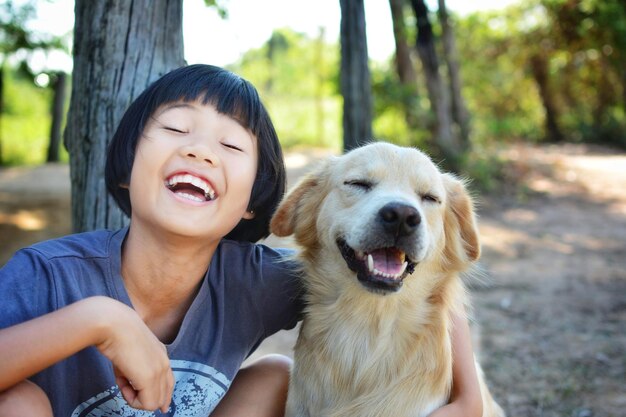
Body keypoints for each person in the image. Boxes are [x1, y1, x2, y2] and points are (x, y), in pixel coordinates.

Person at [0, 64, 483, 417]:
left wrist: (467, 398)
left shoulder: (262, 280)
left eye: (230, 146)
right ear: (125, 165)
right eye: (174, 128)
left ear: (256, 200)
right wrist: (99, 320)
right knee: (19, 403)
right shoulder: (46, 276)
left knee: (275, 375)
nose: (200, 151)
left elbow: (419, 278)